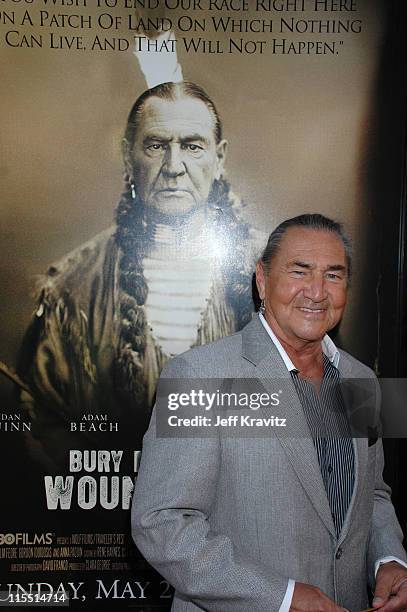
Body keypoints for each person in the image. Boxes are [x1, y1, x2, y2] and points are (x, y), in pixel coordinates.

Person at [132, 213, 407, 612]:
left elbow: (374, 495)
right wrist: (282, 597)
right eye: (300, 271)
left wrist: (390, 561)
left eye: (334, 275)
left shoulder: (363, 379)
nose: (317, 292)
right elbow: (160, 522)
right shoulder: (195, 375)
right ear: (262, 280)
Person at [15, 81, 260, 469]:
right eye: (156, 145)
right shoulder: (73, 287)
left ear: (220, 158)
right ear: (129, 158)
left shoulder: (278, 272)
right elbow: (40, 427)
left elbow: (334, 413)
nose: (174, 167)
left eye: (192, 146)